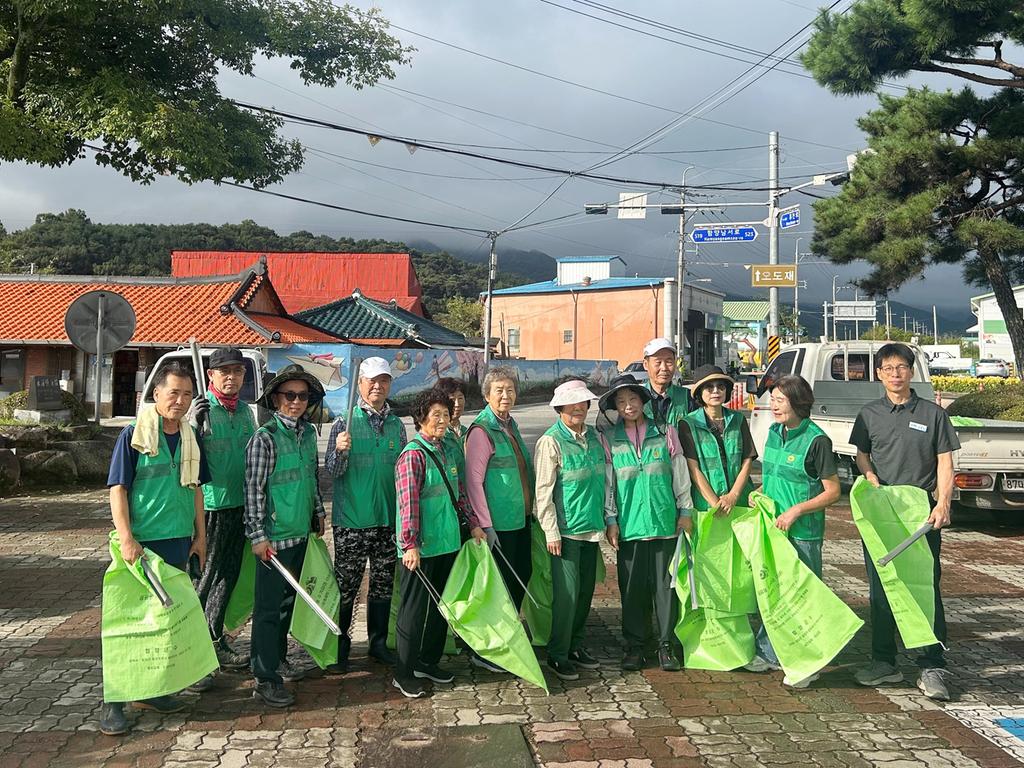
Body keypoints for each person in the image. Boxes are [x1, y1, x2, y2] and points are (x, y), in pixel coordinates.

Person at [100, 362, 210, 736]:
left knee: (166, 621)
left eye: (186, 395)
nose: (179, 401)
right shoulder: (134, 435)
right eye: (173, 393)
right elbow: (118, 489)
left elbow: (195, 488)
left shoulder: (190, 436)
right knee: (129, 623)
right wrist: (127, 538)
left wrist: (201, 535)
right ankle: (113, 702)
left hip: (177, 540)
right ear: (157, 394)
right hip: (141, 544)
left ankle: (155, 691)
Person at [849, 343, 958, 701]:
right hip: (882, 514)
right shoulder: (868, 414)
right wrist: (869, 475)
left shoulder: (932, 414)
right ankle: (884, 661)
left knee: (924, 585)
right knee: (881, 588)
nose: (895, 374)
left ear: (912, 371)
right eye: (888, 368)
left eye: (901, 367)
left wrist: (942, 503)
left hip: (921, 515)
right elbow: (862, 455)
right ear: (878, 373)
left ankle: (931, 664)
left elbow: (945, 461)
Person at [393, 388, 486, 698]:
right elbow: (409, 505)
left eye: (446, 415)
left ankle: (427, 661)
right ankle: (403, 673)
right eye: (436, 415)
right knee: (413, 611)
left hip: (447, 542)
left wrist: (473, 525)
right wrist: (410, 544)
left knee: (439, 609)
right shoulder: (413, 455)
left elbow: (459, 493)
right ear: (421, 419)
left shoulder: (448, 449)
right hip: (421, 548)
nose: (443, 420)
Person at [749, 374, 841, 685]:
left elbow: (832, 492)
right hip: (774, 530)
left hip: (803, 533)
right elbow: (777, 476)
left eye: (779, 400)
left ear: (798, 403)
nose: (773, 406)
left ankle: (808, 662)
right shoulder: (775, 432)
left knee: (802, 596)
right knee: (773, 592)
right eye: (772, 399)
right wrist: (759, 491)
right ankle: (769, 652)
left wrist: (796, 510)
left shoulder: (817, 441)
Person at [599, 374, 693, 672]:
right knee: (632, 590)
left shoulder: (665, 432)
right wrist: (611, 519)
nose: (629, 406)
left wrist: (685, 511)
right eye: (622, 401)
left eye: (634, 399)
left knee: (666, 588)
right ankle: (636, 646)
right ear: (615, 406)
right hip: (630, 528)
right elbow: (609, 485)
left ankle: (666, 645)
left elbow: (680, 474)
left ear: (643, 401)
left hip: (665, 524)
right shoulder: (609, 441)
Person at [244, 365, 326, 708]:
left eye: (302, 396)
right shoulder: (264, 438)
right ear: (276, 399)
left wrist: (318, 512)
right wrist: (258, 535)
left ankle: (276, 659)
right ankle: (264, 677)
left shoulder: (307, 435)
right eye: (289, 395)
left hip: (299, 534)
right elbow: (254, 491)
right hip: (273, 540)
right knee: (266, 609)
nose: (296, 402)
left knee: (286, 605)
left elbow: (311, 476)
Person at [325, 357, 405, 672]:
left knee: (383, 584)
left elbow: (403, 473)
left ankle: (377, 644)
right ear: (360, 384)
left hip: (387, 520)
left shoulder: (397, 426)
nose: (377, 386)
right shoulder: (343, 422)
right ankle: (339, 645)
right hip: (351, 522)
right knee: (346, 587)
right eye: (371, 380)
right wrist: (339, 451)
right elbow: (332, 471)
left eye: (383, 380)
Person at [190, 347, 256, 691]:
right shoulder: (201, 410)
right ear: (211, 375)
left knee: (228, 577)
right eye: (224, 371)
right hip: (210, 508)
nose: (231, 378)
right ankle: (192, 654)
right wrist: (191, 423)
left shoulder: (246, 412)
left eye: (237, 371)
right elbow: (185, 454)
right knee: (204, 579)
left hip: (240, 506)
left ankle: (215, 640)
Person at [534, 378, 608, 681]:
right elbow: (543, 492)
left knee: (585, 593)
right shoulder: (550, 442)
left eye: (583, 403)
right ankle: (558, 654)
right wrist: (551, 531)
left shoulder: (594, 437)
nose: (578, 409)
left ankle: (576, 646)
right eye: (572, 404)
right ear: (560, 408)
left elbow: (605, 482)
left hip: (591, 529)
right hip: (565, 533)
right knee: (566, 597)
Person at [464, 365, 535, 674]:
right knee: (501, 586)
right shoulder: (482, 431)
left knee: (522, 574)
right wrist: (485, 524)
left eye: (510, 390)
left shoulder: (509, 425)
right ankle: (487, 649)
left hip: (520, 519)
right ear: (486, 395)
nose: (505, 395)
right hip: (498, 525)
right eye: (499, 391)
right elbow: (473, 482)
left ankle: (507, 636)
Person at [680, 365, 757, 519]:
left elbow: (747, 460)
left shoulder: (738, 419)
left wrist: (733, 496)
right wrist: (716, 503)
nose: (716, 391)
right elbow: (693, 469)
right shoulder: (688, 423)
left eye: (720, 387)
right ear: (699, 393)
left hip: (739, 502)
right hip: (707, 506)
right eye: (709, 387)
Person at [642, 337, 692, 428]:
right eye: (658, 362)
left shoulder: (688, 397)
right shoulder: (636, 398)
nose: (664, 368)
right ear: (646, 364)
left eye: (669, 362)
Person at [435, 377, 468, 483]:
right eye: (452, 399)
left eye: (460, 398)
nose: (457, 404)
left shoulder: (468, 432)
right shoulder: (437, 436)